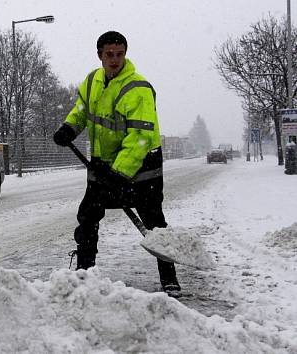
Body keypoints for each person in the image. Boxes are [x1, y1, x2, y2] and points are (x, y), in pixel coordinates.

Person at [53, 31, 181, 295]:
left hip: (142, 168)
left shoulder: (138, 88)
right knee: (88, 218)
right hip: (103, 167)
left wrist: (119, 173)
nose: (114, 60)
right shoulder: (91, 82)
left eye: (119, 54)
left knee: (154, 223)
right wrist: (69, 128)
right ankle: (84, 272)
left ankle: (169, 278)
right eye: (109, 54)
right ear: (99, 55)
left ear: (125, 54)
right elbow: (81, 111)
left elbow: (141, 137)